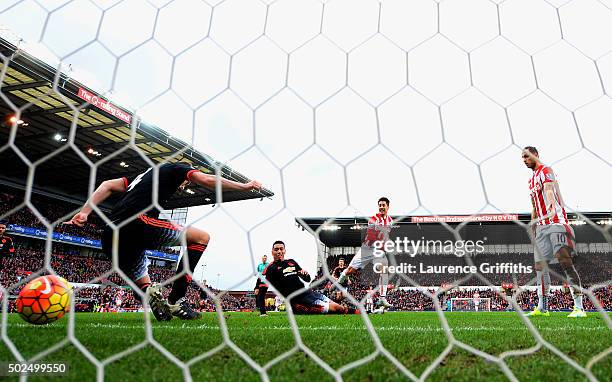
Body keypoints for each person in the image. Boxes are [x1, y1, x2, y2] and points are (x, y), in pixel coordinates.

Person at [67, 162, 262, 321]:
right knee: (201, 237)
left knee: (146, 286)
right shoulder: (178, 168)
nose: (185, 185)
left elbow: (107, 184)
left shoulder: (142, 176)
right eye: (187, 180)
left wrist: (85, 212)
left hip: (110, 235)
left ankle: (151, 296)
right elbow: (206, 179)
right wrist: (244, 186)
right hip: (136, 224)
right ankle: (176, 299)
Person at [522, 146, 586, 318]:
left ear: (535, 155)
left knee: (565, 262)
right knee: (540, 267)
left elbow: (549, 189)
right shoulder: (530, 181)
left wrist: (551, 205)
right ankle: (543, 308)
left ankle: (579, 307)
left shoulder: (546, 170)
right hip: (542, 226)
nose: (524, 160)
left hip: (556, 222)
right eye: (522, 157)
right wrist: (533, 224)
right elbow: (534, 205)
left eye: (526, 156)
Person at [264, 241, 358, 315]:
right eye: (276, 249)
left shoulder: (291, 262)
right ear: (272, 252)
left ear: (285, 250)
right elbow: (262, 287)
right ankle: (298, 308)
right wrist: (262, 312)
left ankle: (361, 312)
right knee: (337, 308)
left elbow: (307, 279)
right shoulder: (271, 268)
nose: (279, 251)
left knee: (338, 307)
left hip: (308, 292)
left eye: (281, 249)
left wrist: (304, 274)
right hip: (298, 300)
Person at [336, 197, 393, 310]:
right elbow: (371, 236)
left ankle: (382, 298)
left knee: (384, 270)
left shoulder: (390, 221)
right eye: (380, 205)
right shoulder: (373, 219)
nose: (381, 207)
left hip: (378, 251)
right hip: (367, 249)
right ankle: (341, 279)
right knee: (350, 270)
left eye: (383, 205)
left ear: (388, 206)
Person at [0, 220, 15, 285]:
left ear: (5, 229)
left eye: (3, 228)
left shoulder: (8, 239)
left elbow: (12, 250)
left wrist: (3, 249)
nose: (1, 229)